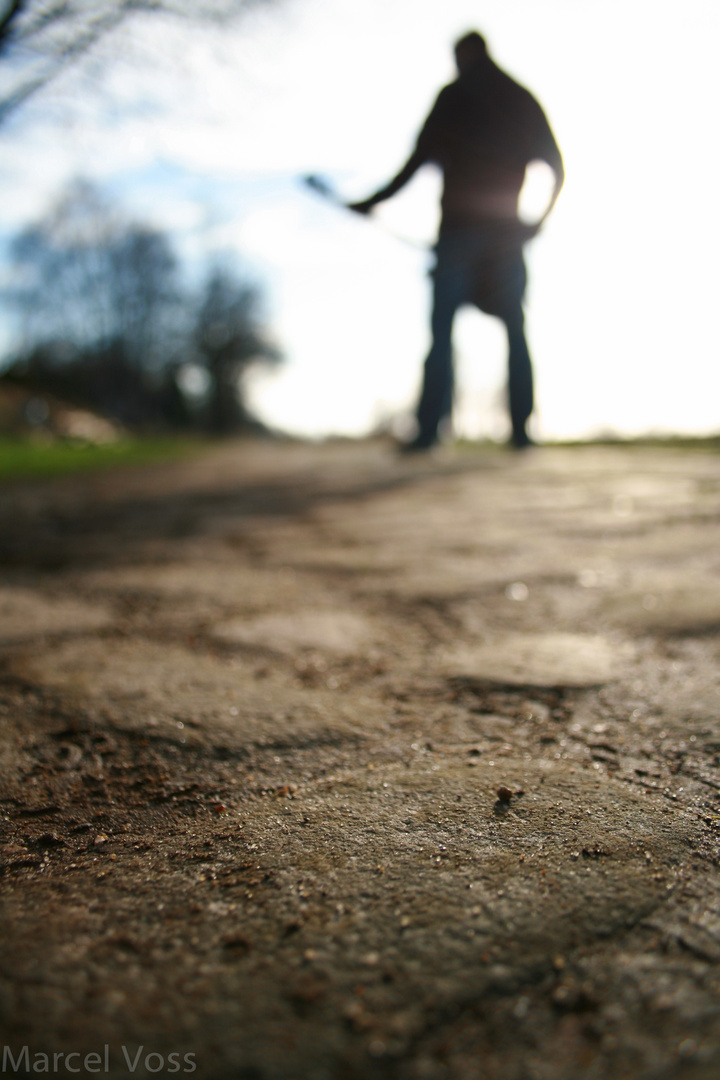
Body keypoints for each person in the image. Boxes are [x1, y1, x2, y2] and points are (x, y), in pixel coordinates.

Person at [348, 31, 564, 450]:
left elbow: (414, 162)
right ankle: (521, 432)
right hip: (507, 235)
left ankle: (430, 431)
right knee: (514, 329)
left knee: (443, 332)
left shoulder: (453, 96)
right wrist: (536, 224)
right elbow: (558, 168)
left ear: (465, 55)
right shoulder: (520, 97)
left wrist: (372, 202)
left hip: (460, 235)